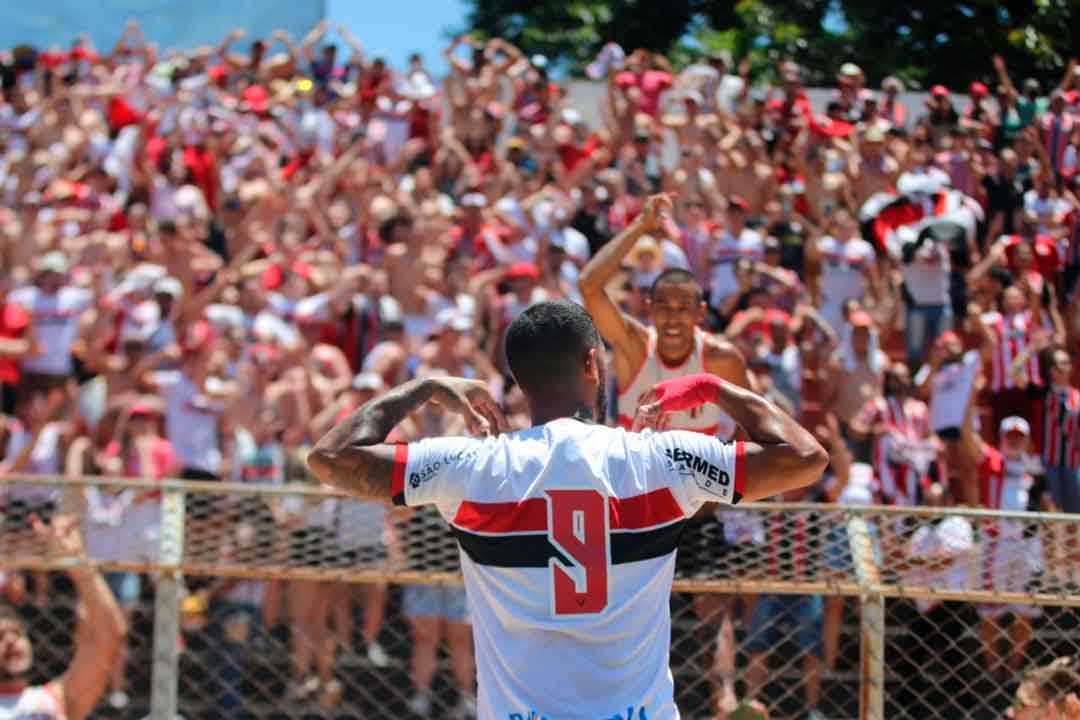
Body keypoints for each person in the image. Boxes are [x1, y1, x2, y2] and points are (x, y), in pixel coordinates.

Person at [307, 299, 828, 718]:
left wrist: (423, 389)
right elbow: (805, 458)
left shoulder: (472, 467)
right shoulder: (660, 460)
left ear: (518, 378)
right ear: (591, 365)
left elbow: (330, 458)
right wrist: (713, 386)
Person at [0, 513, 127, 720]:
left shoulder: (56, 699)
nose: (12, 641)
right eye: (0, 637)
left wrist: (78, 563)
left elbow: (108, 636)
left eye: (17, 633)